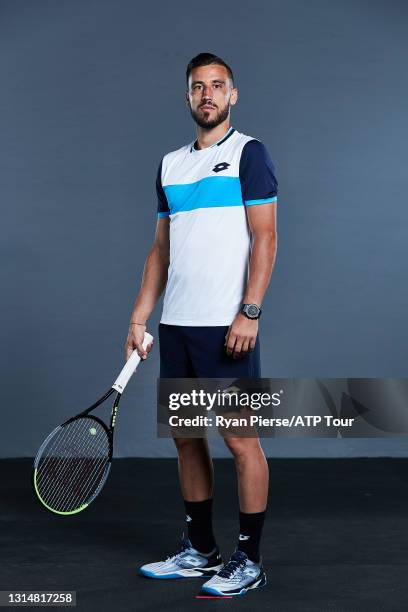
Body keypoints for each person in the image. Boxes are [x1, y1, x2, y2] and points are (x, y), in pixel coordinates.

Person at [125, 52, 278, 597]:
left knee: (241, 442)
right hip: (177, 327)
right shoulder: (170, 165)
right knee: (188, 439)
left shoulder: (248, 155)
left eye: (217, 86)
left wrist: (250, 310)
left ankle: (250, 560)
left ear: (232, 96)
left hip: (227, 327)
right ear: (188, 97)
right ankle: (199, 551)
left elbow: (266, 237)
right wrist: (141, 315)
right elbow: (160, 251)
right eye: (197, 87)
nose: (207, 94)